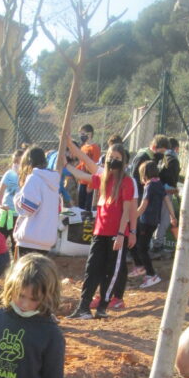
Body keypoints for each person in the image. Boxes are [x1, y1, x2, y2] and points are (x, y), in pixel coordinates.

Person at [67, 140, 134, 318]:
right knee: (92, 269)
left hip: (116, 234)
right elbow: (84, 174)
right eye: (110, 157)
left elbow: (126, 211)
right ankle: (83, 307)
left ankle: (102, 307)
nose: (113, 160)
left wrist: (121, 234)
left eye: (117, 158)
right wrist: (67, 164)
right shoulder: (104, 178)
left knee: (110, 271)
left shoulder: (127, 182)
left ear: (124, 161)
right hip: (99, 232)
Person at [132, 160, 174, 290]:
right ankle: (142, 268)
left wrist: (132, 216)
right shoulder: (159, 184)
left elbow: (143, 205)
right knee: (140, 246)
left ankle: (151, 274)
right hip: (154, 222)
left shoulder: (149, 186)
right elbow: (167, 200)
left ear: (144, 174)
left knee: (141, 248)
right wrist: (173, 216)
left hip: (146, 221)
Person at [13, 146, 62, 257]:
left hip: (30, 239)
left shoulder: (34, 178)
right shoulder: (53, 181)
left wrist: (17, 198)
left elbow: (27, 209)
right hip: (46, 240)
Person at [0, 149, 22, 247]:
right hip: (6, 213)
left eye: (18, 162)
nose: (16, 164)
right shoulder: (9, 174)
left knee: (16, 243)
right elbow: (0, 190)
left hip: (19, 215)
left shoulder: (28, 176)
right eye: (15, 162)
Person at [76, 124, 101, 211]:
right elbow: (82, 163)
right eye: (80, 134)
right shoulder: (83, 147)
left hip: (90, 180)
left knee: (88, 206)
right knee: (80, 204)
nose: (81, 136)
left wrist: (91, 184)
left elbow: (95, 167)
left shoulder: (95, 148)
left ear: (89, 134)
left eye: (83, 134)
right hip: (82, 180)